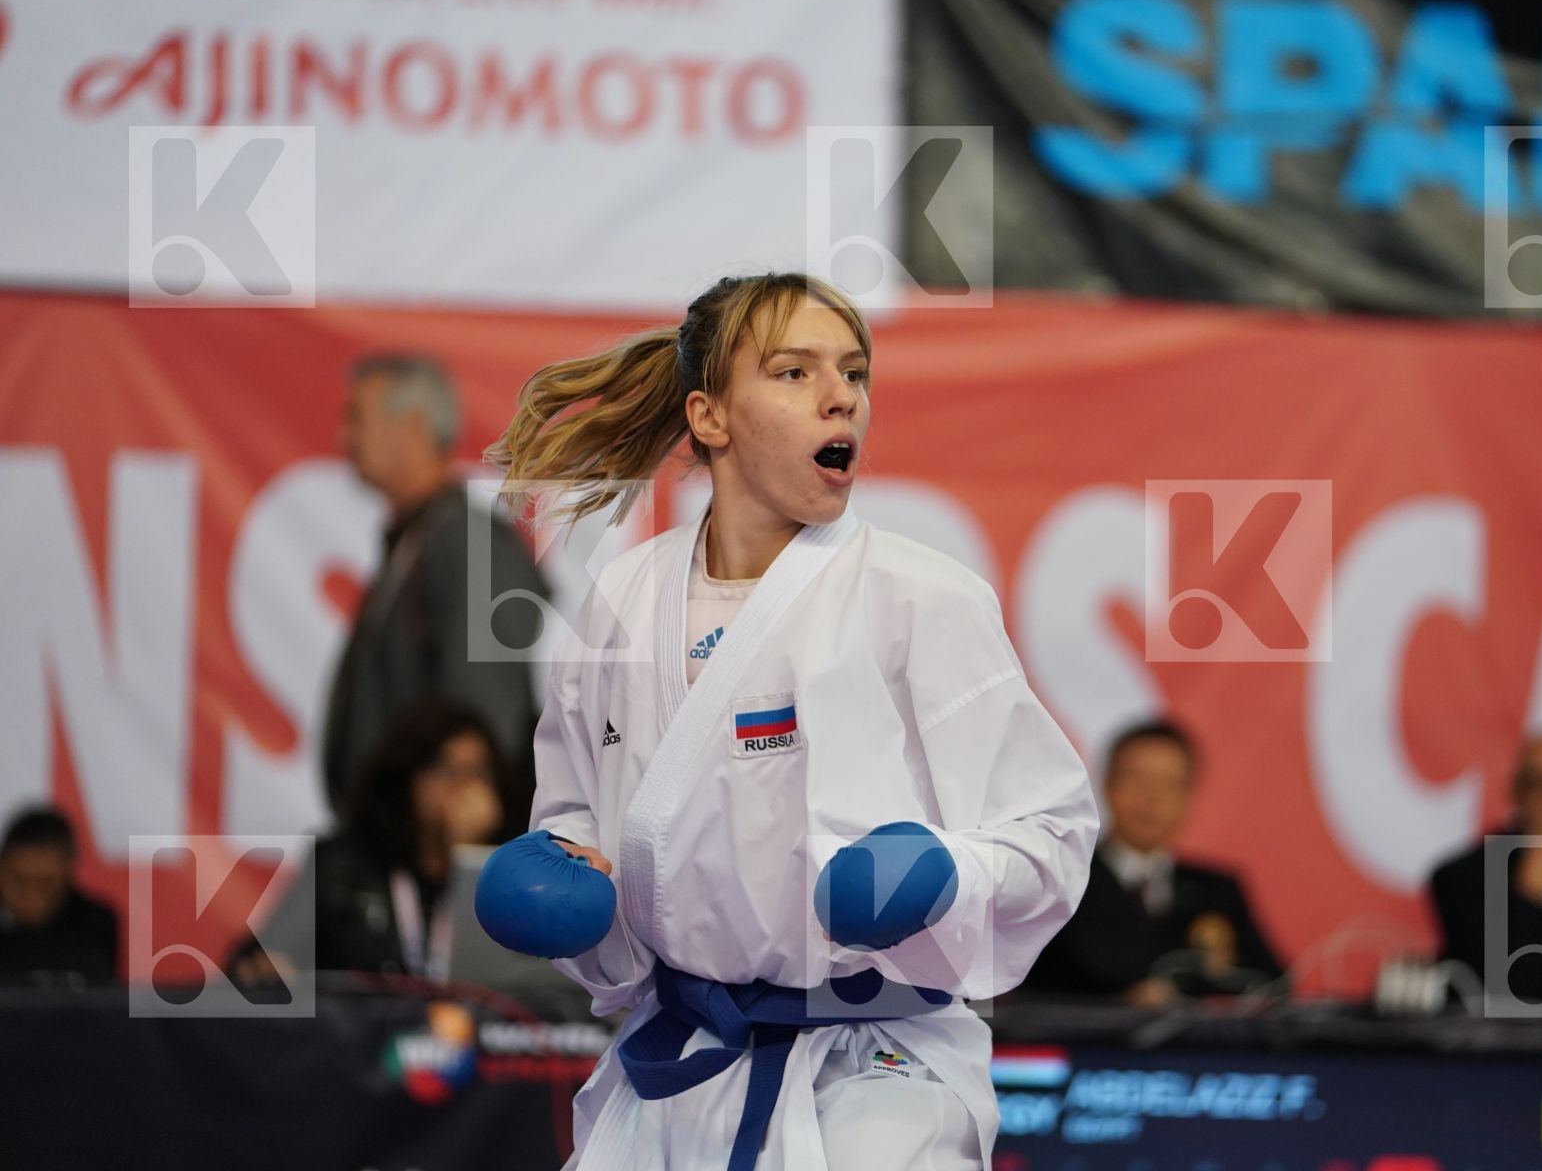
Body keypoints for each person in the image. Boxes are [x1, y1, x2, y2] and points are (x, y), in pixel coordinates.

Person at [484, 272, 1098, 1170]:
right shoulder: (624, 599)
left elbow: (1053, 832)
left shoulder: (920, 598)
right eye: (794, 372)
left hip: (878, 1073)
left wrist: (945, 873)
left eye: (853, 372)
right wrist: (572, 892)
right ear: (709, 417)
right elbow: (582, 816)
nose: (841, 393)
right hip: (684, 1058)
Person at [323, 350, 547, 833]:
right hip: (406, 846)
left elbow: (483, 720)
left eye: (356, 418)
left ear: (412, 426)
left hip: (435, 854)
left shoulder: (469, 544)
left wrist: (453, 830)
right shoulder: (426, 539)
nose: (344, 437)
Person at [237, 698, 506, 981]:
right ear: (408, 778)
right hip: (360, 1022)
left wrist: (474, 853)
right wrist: (269, 969)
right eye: (447, 771)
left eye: (479, 773)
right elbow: (259, 960)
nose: (465, 788)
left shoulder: (509, 867)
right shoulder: (342, 865)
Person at [1023, 719, 1282, 1006]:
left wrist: (1212, 978)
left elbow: (1273, 984)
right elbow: (1023, 987)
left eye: (1170, 784)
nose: (1152, 798)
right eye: (1138, 779)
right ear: (1107, 785)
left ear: (1189, 796)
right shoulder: (1064, 877)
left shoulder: (1217, 889)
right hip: (1086, 1046)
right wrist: (1124, 1002)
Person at [1426, 731, 1542, 998]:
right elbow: (1511, 985)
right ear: (1516, 791)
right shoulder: (1462, 879)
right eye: (1539, 784)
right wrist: (1537, 867)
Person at [0, 807, 117, 986]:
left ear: (68, 874)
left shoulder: (95, 924)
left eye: (46, 884)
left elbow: (98, 1003)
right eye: (19, 881)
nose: (31, 897)